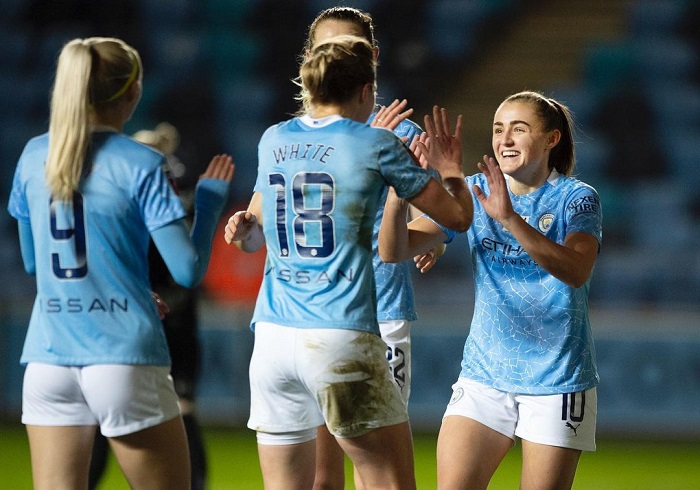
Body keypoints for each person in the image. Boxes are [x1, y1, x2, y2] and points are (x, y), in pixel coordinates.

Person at [224, 35, 472, 490]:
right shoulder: (377, 143)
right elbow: (457, 216)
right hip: (339, 335)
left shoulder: (273, 138)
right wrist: (450, 170)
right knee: (391, 483)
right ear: (365, 91)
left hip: (273, 340)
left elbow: (257, 227)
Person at [7, 37, 233, 490]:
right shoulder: (141, 162)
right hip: (123, 358)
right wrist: (208, 205)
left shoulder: (34, 154)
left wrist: (121, 284)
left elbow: (37, 264)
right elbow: (186, 271)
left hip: (48, 361)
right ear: (133, 93)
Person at [379, 90, 602, 490]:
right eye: (499, 129)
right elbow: (395, 251)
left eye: (519, 129)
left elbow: (576, 270)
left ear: (551, 139)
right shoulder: (474, 191)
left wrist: (511, 219)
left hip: (557, 379)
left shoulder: (577, 198)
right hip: (485, 375)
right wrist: (399, 193)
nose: (505, 140)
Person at [300, 7, 445, 490]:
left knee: (375, 469)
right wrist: (248, 221)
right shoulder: (295, 138)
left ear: (373, 57)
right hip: (310, 314)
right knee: (322, 477)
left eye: (350, 47)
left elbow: (443, 217)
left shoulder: (401, 133)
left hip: (380, 311)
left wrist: (427, 236)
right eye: (327, 50)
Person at [87, 123, 210, 490]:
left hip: (127, 321)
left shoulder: (125, 187)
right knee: (181, 411)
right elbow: (187, 268)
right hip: (171, 322)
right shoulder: (176, 186)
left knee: (100, 417)